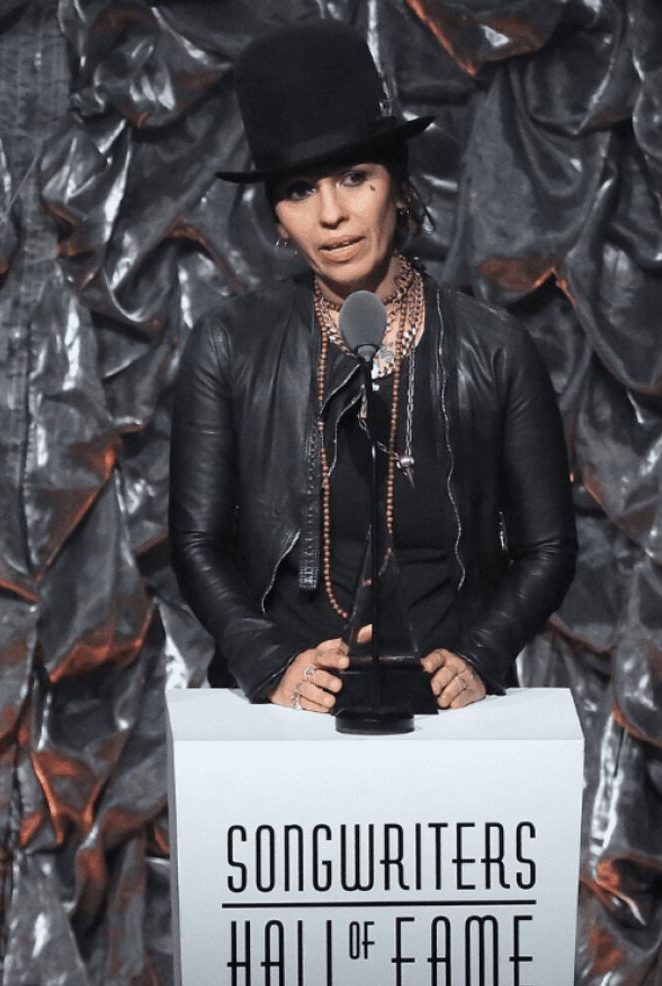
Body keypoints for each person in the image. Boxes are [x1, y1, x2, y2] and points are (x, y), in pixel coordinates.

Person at [169, 21, 575, 714]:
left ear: (398, 184)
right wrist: (271, 665)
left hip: (444, 719)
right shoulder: (228, 345)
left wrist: (481, 655)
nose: (331, 215)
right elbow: (197, 542)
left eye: (354, 178)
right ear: (278, 217)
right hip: (288, 713)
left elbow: (549, 545)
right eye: (300, 190)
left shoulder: (495, 348)